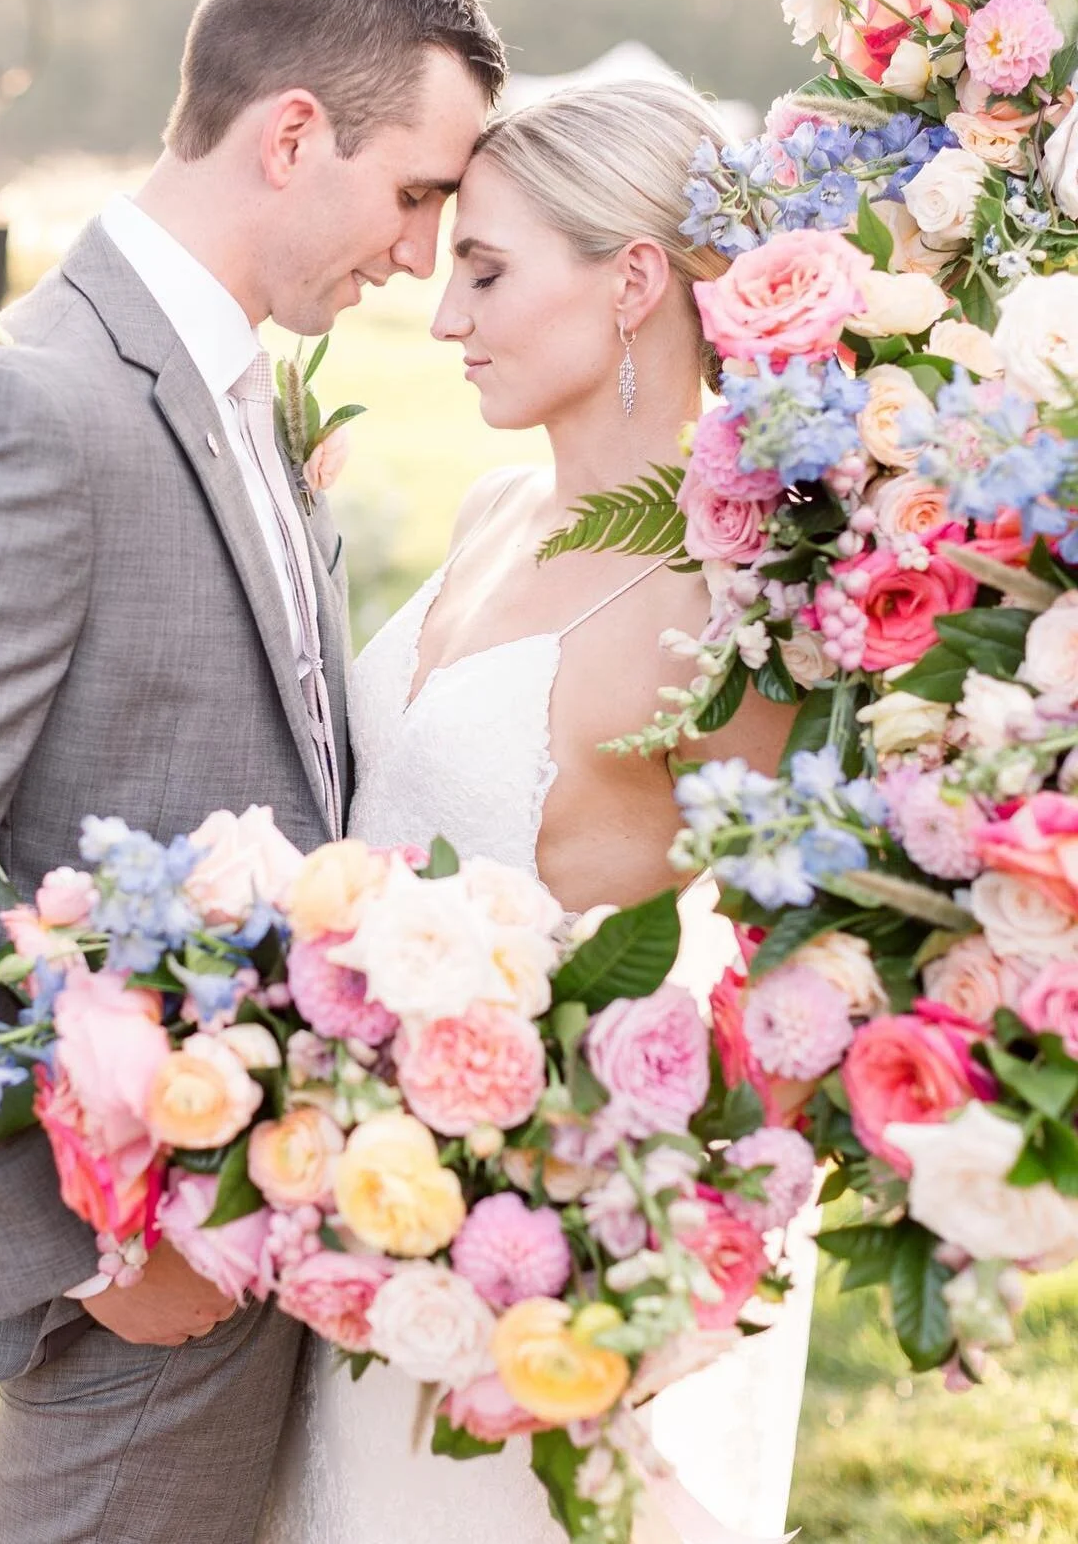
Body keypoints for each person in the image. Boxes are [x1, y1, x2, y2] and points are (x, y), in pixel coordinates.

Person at [0, 0, 504, 1544]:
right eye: (413, 193)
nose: (416, 252)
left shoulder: (237, 393)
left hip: (265, 1227)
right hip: (144, 1253)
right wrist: (90, 1241)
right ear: (293, 134)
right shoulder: (25, 411)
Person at [259, 79, 814, 1543]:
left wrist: (643, 1252)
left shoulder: (722, 621)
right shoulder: (492, 507)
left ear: (635, 280)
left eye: (488, 272)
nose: (447, 319)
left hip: (535, 1277)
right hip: (363, 1217)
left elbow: (814, 974)